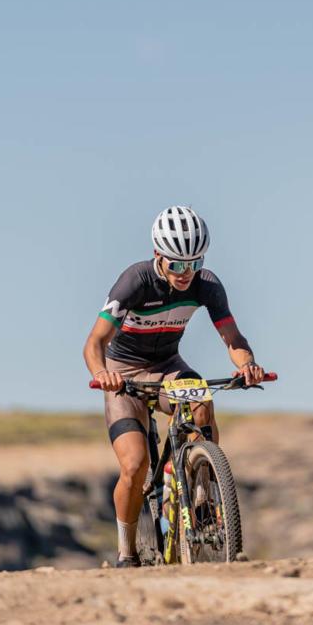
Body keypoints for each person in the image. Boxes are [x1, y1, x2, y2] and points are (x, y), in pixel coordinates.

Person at [82, 205, 266, 567]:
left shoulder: (206, 284)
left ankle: (202, 493)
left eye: (194, 263)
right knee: (135, 465)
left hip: (167, 366)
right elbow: (95, 342)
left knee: (201, 398)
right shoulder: (135, 281)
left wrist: (247, 365)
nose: (186, 273)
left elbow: (233, 338)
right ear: (158, 255)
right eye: (177, 264)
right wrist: (103, 372)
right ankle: (126, 551)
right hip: (124, 373)